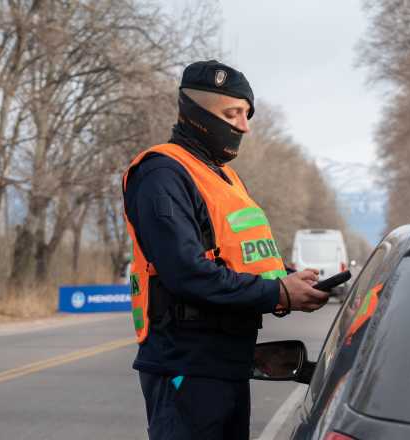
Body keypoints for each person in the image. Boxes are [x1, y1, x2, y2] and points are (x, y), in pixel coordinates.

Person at [122, 60, 330, 440]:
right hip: (185, 364)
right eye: (232, 114)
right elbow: (186, 272)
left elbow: (241, 256)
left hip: (229, 363)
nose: (244, 126)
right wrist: (278, 293)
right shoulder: (161, 174)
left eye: (247, 115)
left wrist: (289, 279)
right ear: (196, 112)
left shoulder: (227, 178)